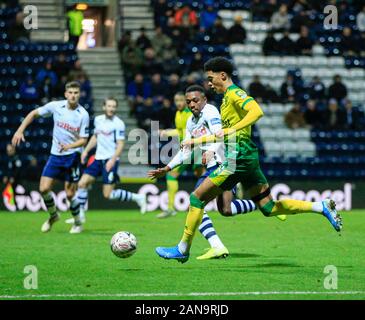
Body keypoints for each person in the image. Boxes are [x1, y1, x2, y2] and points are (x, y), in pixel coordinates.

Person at [155, 57, 342, 263]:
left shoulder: (235, 93)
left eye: (211, 78)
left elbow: (257, 111)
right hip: (247, 156)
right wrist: (199, 141)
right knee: (268, 207)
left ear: (222, 76)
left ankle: (183, 249)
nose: (209, 84)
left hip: (238, 157)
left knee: (196, 198)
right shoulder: (225, 99)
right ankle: (321, 206)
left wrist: (231, 130)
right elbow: (221, 134)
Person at [149, 85, 262, 259]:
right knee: (225, 209)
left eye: (195, 100)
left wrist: (213, 149)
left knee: (195, 202)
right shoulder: (190, 122)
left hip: (224, 162)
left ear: (204, 100)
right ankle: (261, 204)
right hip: (216, 165)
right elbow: (186, 149)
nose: (191, 104)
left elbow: (221, 134)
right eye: (188, 102)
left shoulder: (211, 112)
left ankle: (193, 248)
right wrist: (168, 167)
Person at [11, 81, 90, 234]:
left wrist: (70, 147)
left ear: (79, 95)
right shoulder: (56, 106)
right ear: (66, 94)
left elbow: (83, 140)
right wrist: (20, 130)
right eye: (70, 92)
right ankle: (54, 216)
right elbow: (33, 113)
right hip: (56, 155)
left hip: (73, 156)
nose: (73, 95)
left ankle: (78, 222)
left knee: (69, 194)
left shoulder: (83, 114)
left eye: (76, 93)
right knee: (44, 188)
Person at [65, 98, 147, 229]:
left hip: (111, 160)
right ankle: (80, 216)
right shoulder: (98, 120)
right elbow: (95, 137)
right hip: (98, 158)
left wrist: (113, 160)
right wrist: (86, 151)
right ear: (104, 107)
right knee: (82, 183)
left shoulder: (118, 123)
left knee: (107, 194)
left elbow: (121, 144)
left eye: (114, 106)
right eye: (109, 106)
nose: (111, 108)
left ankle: (138, 197)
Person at [157, 92, 201, 218]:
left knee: (172, 174)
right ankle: (231, 185)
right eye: (176, 100)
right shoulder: (178, 114)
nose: (179, 103)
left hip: (195, 148)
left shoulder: (191, 114)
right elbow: (180, 131)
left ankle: (171, 208)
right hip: (189, 149)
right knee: (202, 175)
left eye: (181, 100)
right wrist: (167, 132)